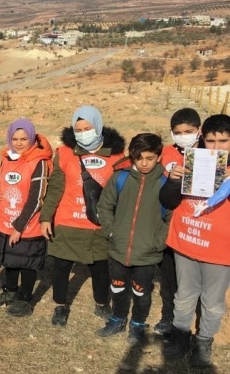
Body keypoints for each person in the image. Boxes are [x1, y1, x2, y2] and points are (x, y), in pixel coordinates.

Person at [40, 105, 126, 327]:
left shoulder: (116, 155)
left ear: (98, 126)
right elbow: (55, 187)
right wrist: (46, 217)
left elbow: (121, 190)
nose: (82, 133)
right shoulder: (65, 153)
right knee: (60, 268)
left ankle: (101, 303)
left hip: (98, 224)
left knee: (100, 268)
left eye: (87, 128)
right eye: (78, 129)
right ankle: (60, 305)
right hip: (67, 222)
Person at [160, 114, 230, 368]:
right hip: (186, 242)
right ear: (203, 138)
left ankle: (203, 342)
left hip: (220, 251)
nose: (217, 147)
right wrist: (173, 181)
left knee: (212, 303)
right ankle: (180, 337)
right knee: (185, 295)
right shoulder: (192, 162)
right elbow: (168, 201)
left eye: (223, 141)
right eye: (211, 140)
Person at [96, 133, 168, 344]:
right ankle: (117, 319)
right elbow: (104, 205)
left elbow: (173, 217)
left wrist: (159, 242)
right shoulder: (121, 177)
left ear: (159, 157)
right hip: (118, 248)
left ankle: (137, 324)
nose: (144, 163)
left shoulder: (165, 182)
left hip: (147, 252)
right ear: (132, 157)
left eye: (150, 158)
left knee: (141, 292)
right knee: (117, 287)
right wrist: (110, 232)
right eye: (139, 158)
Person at [0, 118, 53, 317]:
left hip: (27, 224)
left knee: (27, 262)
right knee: (10, 259)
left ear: (32, 138)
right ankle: (10, 292)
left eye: (24, 138)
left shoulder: (39, 162)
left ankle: (25, 298)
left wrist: (19, 226)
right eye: (15, 138)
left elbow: (37, 199)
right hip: (4, 221)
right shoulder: (7, 158)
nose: (19, 143)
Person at [153, 107, 202, 336]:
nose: (183, 136)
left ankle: (198, 319)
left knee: (195, 279)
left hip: (199, 227)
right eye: (178, 132)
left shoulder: (210, 153)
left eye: (188, 131)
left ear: (199, 130)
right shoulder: (165, 154)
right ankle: (168, 316)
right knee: (168, 275)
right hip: (169, 225)